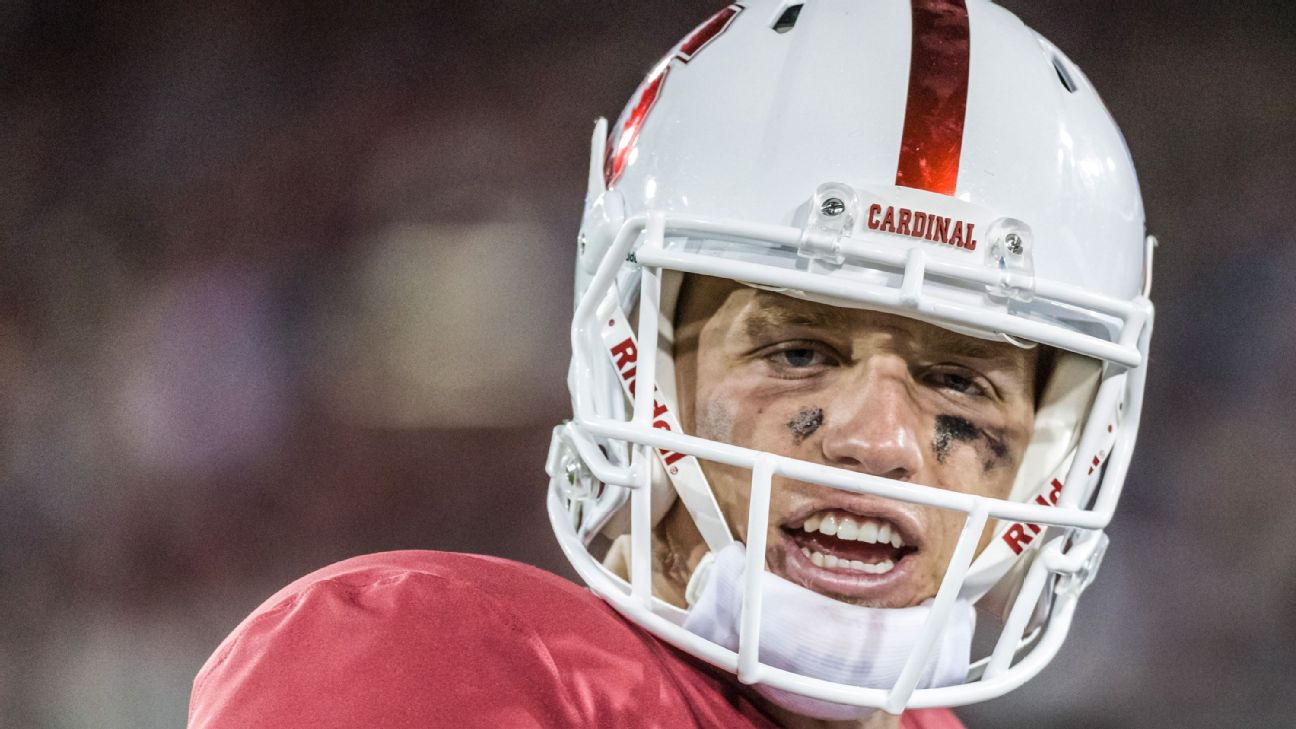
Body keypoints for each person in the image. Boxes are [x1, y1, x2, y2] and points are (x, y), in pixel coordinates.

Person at [188, 1, 1155, 727]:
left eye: (958, 380)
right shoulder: (439, 668)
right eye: (800, 350)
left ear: (1059, 438)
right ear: (639, 368)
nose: (880, 439)